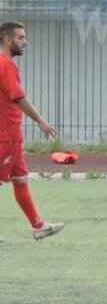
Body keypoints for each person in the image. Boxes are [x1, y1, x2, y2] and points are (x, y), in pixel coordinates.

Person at [0, 21, 63, 241]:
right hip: (4, 135)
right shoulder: (5, 65)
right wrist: (41, 121)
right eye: (21, 38)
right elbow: (18, 97)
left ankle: (39, 226)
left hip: (12, 135)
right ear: (8, 40)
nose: (25, 42)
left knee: (20, 179)